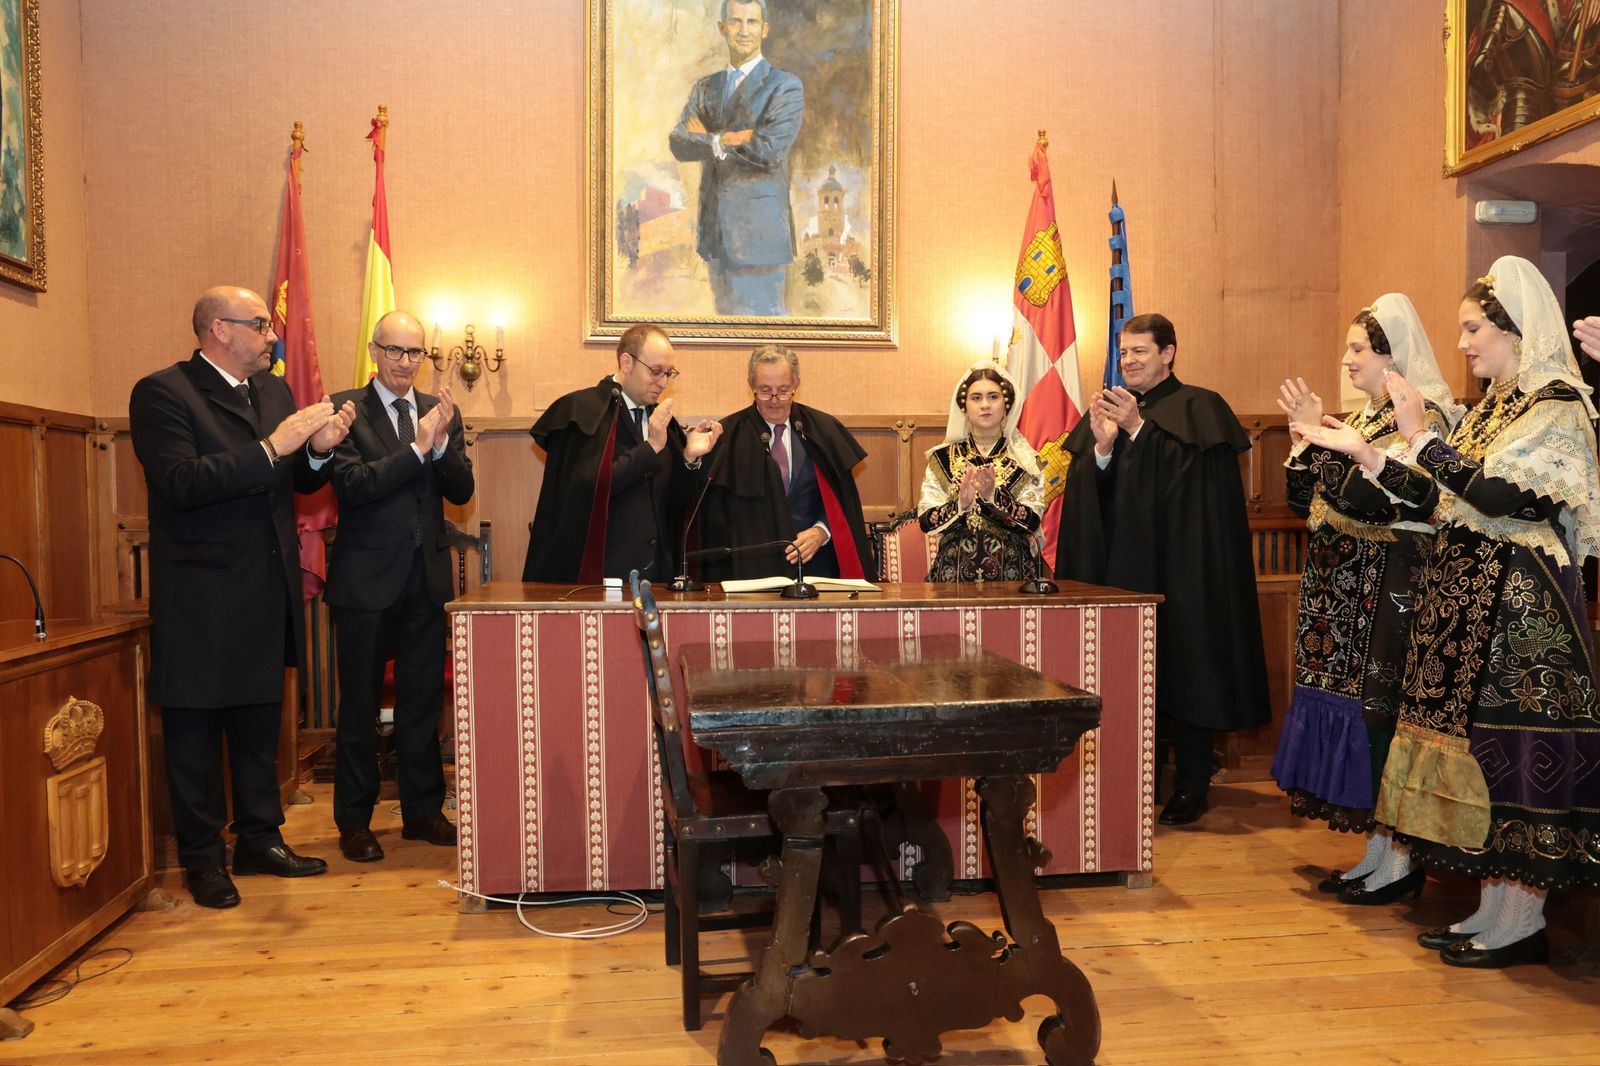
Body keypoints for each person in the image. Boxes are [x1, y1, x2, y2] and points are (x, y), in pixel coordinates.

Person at [1295, 256, 1600, 968]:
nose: (1461, 344)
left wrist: (1423, 441)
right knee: (1474, 758)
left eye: (1472, 329)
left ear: (1514, 332)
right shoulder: (1495, 406)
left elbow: (1506, 499)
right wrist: (1368, 455)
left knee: (1511, 755)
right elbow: (1440, 500)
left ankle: (1523, 919)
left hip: (1522, 614)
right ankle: (1491, 907)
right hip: (1466, 605)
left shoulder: (1556, 402)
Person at [129, 285, 356, 908]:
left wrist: (317, 451)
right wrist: (273, 446)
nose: (272, 336)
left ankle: (260, 838)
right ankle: (204, 860)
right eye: (259, 324)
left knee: (259, 725)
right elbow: (180, 483)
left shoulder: (274, 392)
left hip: (264, 586)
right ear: (217, 330)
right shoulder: (163, 393)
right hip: (200, 596)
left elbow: (294, 482)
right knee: (196, 736)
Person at [1270, 295, 1462, 902]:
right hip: (1342, 589)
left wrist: (1337, 448)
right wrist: (1306, 444)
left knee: (1383, 718)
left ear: (1391, 356)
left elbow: (1372, 500)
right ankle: (1376, 850)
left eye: (1359, 348)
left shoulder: (1424, 417)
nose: (1347, 359)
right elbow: (1306, 506)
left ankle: (1401, 859)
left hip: (1389, 586)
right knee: (1356, 713)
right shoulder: (1369, 420)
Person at [1056, 312, 1270, 827]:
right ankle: (1138, 777)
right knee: (1134, 676)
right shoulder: (1110, 412)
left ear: (1168, 353)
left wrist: (1137, 429)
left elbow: (1193, 492)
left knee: (1190, 669)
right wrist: (1103, 450)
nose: (1128, 361)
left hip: (1185, 570)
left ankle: (1192, 783)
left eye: (1140, 352)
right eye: (1123, 352)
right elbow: (1095, 500)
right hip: (1125, 570)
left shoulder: (1200, 406)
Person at [324, 311, 476, 864]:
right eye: (395, 351)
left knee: (420, 702)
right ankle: (355, 823)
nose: (405, 363)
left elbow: (461, 490)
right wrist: (415, 450)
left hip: (425, 579)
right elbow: (354, 486)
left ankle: (422, 812)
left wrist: (440, 446)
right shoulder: (344, 409)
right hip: (365, 582)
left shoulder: (439, 413)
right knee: (360, 707)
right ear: (373, 350)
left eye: (415, 353)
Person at [522, 324, 723, 583]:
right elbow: (590, 487)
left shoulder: (661, 421)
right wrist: (650, 448)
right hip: (601, 575)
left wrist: (688, 458)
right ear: (626, 362)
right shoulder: (583, 411)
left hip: (659, 576)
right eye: (655, 372)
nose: (663, 383)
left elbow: (673, 504)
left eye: (668, 374)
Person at [668, 0, 804, 316]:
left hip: (760, 240)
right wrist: (729, 139)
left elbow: (769, 150)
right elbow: (678, 142)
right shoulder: (705, 87)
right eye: (735, 22)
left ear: (764, 29)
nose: (743, 31)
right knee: (724, 336)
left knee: (762, 341)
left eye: (752, 22)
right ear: (722, 28)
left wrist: (707, 138)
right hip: (715, 236)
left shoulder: (784, 86)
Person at [698, 344, 874, 580]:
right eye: (764, 390)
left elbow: (843, 501)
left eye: (783, 390)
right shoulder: (727, 436)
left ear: (796, 385)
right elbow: (713, 519)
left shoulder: (823, 430)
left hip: (817, 568)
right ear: (751, 386)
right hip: (752, 573)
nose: (774, 400)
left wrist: (822, 531)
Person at [916, 363, 1047, 582]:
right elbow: (926, 522)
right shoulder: (943, 458)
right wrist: (960, 504)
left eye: (993, 397)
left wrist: (994, 498)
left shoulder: (1025, 460)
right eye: (976, 398)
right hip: (952, 575)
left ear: (1006, 404)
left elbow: (1033, 520)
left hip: (1012, 576)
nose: (985, 405)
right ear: (964, 407)